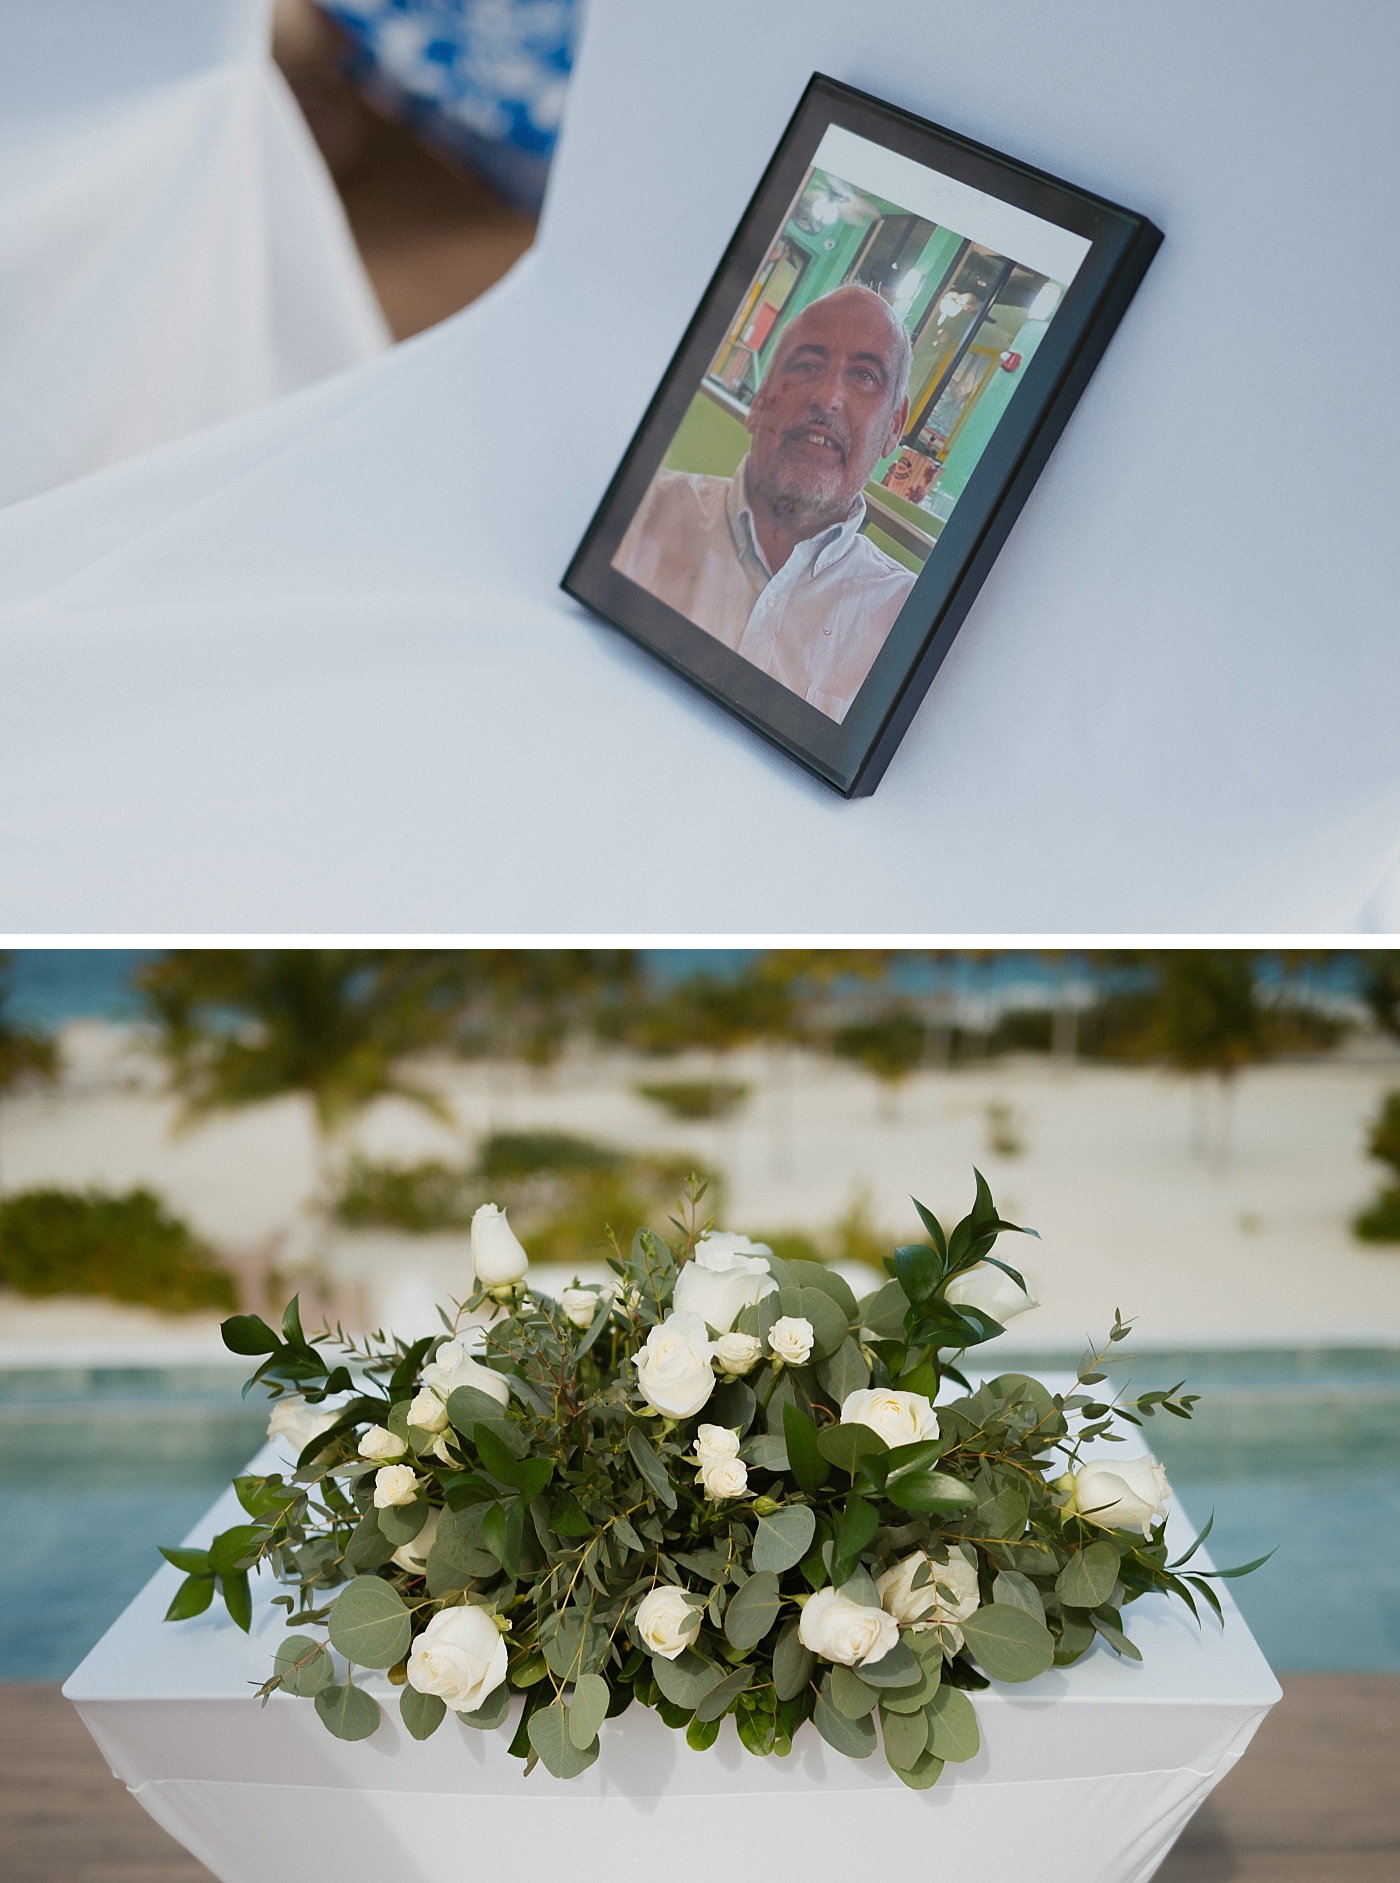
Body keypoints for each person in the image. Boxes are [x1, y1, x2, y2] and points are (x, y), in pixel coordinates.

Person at [613, 284, 917, 723]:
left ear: (895, 426)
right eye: (807, 364)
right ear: (758, 403)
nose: (828, 397)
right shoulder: (640, 514)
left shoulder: (904, 625)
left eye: (865, 375)